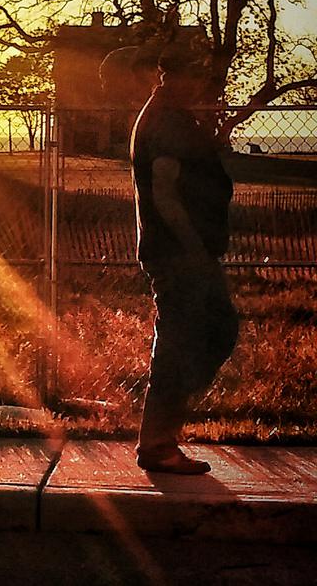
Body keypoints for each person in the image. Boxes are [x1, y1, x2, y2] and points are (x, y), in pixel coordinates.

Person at [130, 47, 238, 475]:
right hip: (180, 254)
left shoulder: (172, 116)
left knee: (209, 332)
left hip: (183, 252)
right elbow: (165, 192)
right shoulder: (168, 122)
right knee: (188, 340)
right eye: (193, 76)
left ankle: (161, 427)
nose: (201, 85)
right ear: (169, 74)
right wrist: (194, 247)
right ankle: (157, 439)